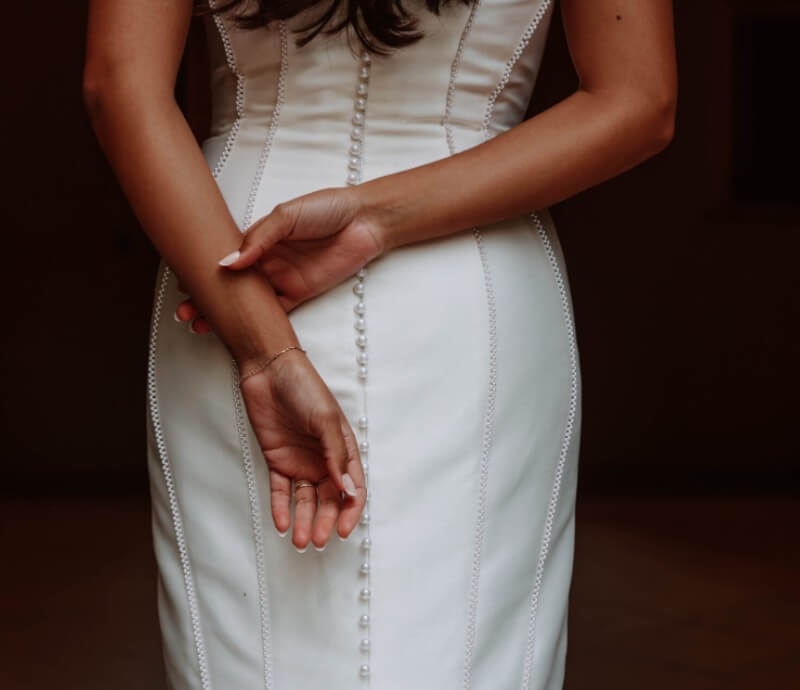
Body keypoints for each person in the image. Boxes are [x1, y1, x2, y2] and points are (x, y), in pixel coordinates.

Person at [84, 0, 676, 687]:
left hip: (234, 257)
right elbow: (638, 98)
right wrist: (373, 217)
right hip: (470, 283)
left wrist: (263, 345)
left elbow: (121, 83)